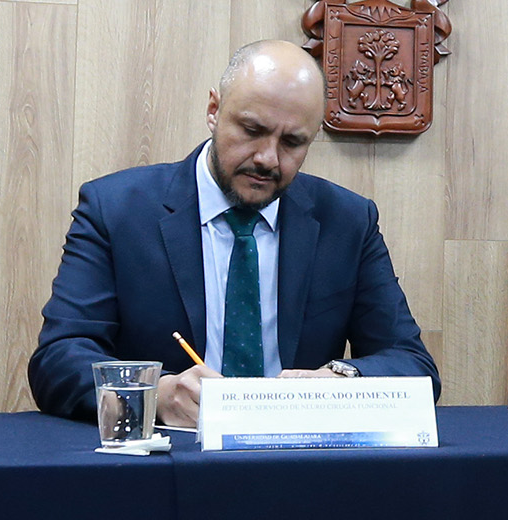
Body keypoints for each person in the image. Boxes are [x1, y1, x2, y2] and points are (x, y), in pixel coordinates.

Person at [30, 41, 438, 426]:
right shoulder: (116, 209)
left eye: (292, 142)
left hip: (301, 466)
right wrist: (154, 392)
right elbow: (58, 360)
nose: (267, 158)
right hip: (165, 467)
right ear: (214, 110)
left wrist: (341, 381)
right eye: (251, 130)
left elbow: (412, 364)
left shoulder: (347, 221)